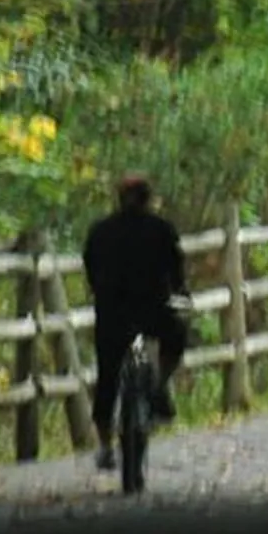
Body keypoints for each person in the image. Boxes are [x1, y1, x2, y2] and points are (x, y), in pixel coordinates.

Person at [81, 174, 189, 471]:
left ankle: (105, 446)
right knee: (176, 337)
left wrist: (100, 291)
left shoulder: (101, 231)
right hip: (153, 311)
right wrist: (181, 292)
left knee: (108, 377)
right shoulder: (162, 230)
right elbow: (177, 272)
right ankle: (159, 385)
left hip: (112, 315)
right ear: (148, 198)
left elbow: (90, 269)